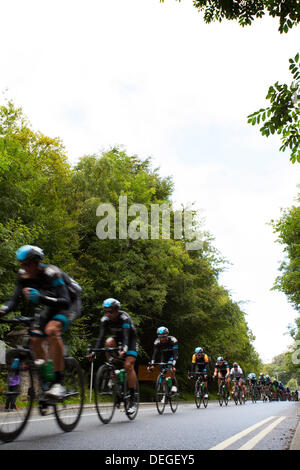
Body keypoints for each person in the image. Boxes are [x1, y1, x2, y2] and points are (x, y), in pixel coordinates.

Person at [0, 245, 81, 398]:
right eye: (22, 264)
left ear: (37, 262)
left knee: (51, 330)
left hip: (69, 304)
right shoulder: (23, 275)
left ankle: (59, 383)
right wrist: (3, 310)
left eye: (27, 264)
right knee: (35, 339)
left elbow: (64, 301)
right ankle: (47, 379)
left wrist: (41, 298)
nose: (24, 268)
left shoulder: (52, 273)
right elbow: (13, 300)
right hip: (51, 306)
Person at [88, 298, 138, 415]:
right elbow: (101, 337)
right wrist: (94, 352)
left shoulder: (124, 318)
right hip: (116, 339)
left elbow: (126, 337)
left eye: (110, 311)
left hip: (130, 340)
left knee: (128, 365)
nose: (108, 314)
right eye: (106, 311)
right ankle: (112, 368)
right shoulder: (105, 320)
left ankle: (132, 399)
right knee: (108, 343)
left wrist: (124, 350)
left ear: (117, 310)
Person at [147, 327, 178, 396]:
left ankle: (173, 386)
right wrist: (152, 364)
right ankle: (165, 391)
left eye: (163, 336)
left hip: (172, 356)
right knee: (162, 372)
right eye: (160, 336)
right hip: (164, 357)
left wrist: (173, 365)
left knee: (171, 369)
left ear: (167, 335)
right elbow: (154, 354)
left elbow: (175, 354)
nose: (162, 338)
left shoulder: (173, 340)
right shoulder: (157, 342)